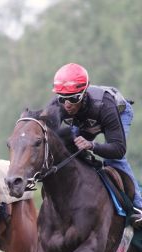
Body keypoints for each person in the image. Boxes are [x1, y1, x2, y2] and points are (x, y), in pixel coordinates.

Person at [49, 62, 142, 228]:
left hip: (117, 113)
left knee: (114, 161)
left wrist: (92, 146)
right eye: (62, 98)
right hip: (86, 119)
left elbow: (118, 150)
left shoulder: (106, 105)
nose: (67, 104)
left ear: (85, 93)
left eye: (73, 98)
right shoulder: (60, 104)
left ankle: (139, 207)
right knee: (71, 151)